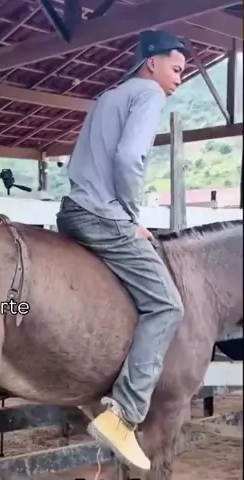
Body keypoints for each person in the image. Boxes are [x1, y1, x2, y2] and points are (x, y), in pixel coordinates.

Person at [56, 30, 187, 470]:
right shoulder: (149, 94)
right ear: (151, 63)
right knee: (167, 306)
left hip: (73, 209)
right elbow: (130, 158)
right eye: (175, 69)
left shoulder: (107, 97)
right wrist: (131, 216)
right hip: (104, 215)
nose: (178, 79)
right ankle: (125, 413)